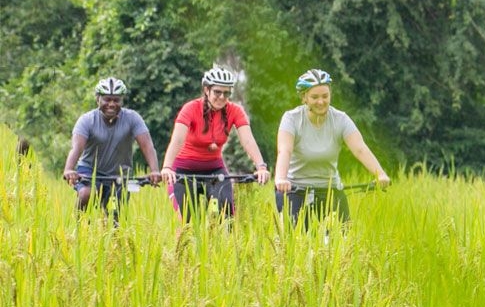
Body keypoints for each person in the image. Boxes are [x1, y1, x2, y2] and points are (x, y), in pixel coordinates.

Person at [273, 68, 391, 227]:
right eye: (315, 97)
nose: (321, 101)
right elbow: (284, 150)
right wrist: (281, 179)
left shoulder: (340, 119)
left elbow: (360, 149)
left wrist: (380, 174)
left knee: (343, 234)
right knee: (293, 235)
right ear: (304, 97)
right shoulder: (291, 118)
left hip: (330, 189)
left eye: (325, 96)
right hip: (295, 190)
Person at [159, 65, 271, 220]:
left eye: (227, 93)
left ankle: (220, 236)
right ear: (207, 90)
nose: (222, 97)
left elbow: (247, 140)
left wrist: (261, 167)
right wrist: (167, 167)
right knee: (187, 220)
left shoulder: (235, 111)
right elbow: (177, 139)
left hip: (214, 168)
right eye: (217, 92)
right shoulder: (190, 108)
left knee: (227, 213)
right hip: (184, 169)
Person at [61, 77, 162, 213]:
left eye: (116, 100)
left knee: (118, 212)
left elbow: (147, 145)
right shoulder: (87, 120)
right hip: (90, 171)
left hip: (120, 174)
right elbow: (76, 148)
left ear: (122, 101)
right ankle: (78, 223)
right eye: (107, 99)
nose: (112, 104)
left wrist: (155, 170)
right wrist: (69, 169)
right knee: (86, 194)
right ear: (98, 99)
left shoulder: (133, 118)